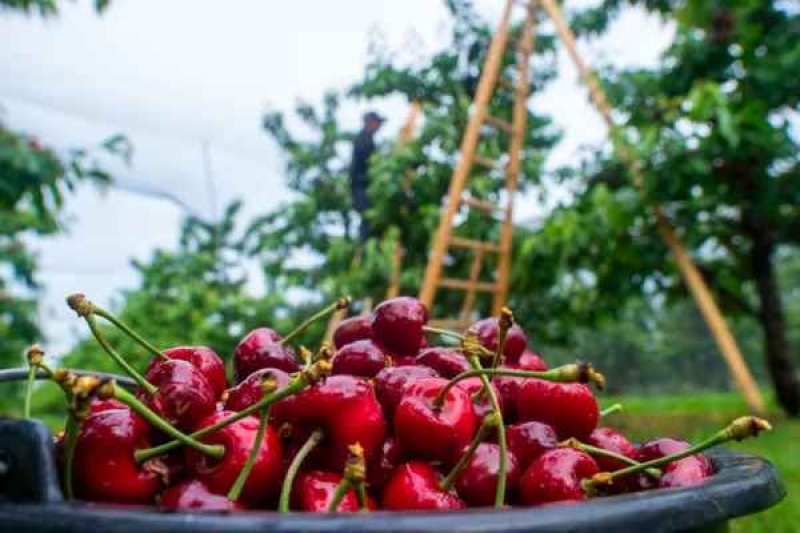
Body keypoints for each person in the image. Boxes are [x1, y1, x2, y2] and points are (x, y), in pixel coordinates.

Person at [349, 111, 385, 243]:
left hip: (363, 186)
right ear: (370, 123)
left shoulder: (367, 139)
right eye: (377, 123)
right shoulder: (363, 140)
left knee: (369, 218)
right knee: (367, 218)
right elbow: (371, 161)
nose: (379, 127)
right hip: (361, 187)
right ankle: (364, 248)